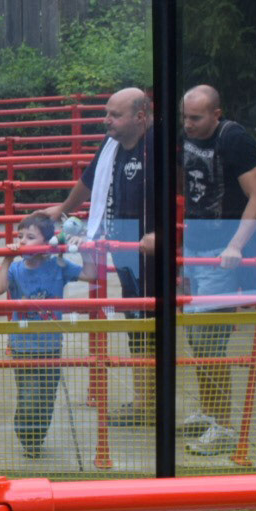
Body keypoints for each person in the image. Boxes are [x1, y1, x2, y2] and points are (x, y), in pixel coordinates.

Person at [47, 87, 156, 428]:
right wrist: (63, 209)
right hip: (126, 249)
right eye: (106, 112)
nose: (106, 120)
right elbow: (89, 180)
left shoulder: (158, 146)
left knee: (149, 324)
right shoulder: (112, 146)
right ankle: (145, 402)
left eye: (114, 115)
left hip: (152, 251)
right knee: (137, 322)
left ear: (140, 117)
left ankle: (150, 404)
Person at [177, 85, 256, 456]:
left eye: (196, 118)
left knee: (211, 340)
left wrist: (236, 245)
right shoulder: (187, 137)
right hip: (195, 247)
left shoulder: (234, 140)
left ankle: (225, 426)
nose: (188, 124)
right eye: (185, 117)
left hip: (221, 252)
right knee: (197, 338)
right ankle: (209, 411)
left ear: (216, 114)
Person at [0, 213, 89, 458]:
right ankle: (27, 436)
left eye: (30, 237)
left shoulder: (58, 266)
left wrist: (83, 249)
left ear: (48, 241)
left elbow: (91, 275)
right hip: (22, 346)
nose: (23, 241)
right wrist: (6, 259)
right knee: (28, 395)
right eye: (20, 236)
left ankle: (37, 438)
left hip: (51, 345)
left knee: (46, 396)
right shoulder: (16, 269)